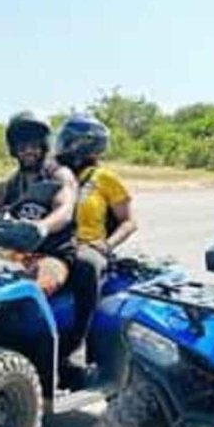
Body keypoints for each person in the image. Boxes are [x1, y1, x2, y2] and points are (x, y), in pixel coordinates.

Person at [0, 111, 79, 303]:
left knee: (35, 288)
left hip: (51, 254)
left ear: (44, 145)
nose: (28, 151)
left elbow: (64, 210)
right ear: (13, 149)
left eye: (34, 145)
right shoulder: (10, 184)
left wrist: (43, 226)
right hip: (13, 252)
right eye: (22, 146)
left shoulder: (59, 175)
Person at [56, 114, 137, 363]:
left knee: (86, 265)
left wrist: (106, 245)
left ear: (85, 144)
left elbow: (129, 221)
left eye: (67, 140)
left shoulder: (105, 179)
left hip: (86, 245)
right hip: (52, 243)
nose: (61, 145)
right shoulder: (53, 173)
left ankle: (78, 341)